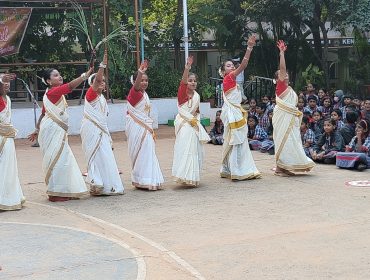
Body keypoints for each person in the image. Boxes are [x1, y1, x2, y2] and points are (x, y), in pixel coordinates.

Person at [28, 68, 92, 202]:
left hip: (54, 129)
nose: (60, 77)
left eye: (59, 75)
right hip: (52, 129)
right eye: (55, 76)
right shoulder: (52, 92)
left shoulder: (51, 94)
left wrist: (36, 129)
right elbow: (70, 87)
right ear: (48, 81)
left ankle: (60, 191)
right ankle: (56, 192)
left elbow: (43, 113)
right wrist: (84, 76)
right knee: (58, 159)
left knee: (61, 159)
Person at [80, 51, 124, 196]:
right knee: (96, 155)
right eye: (99, 81)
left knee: (105, 156)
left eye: (104, 81)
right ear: (92, 84)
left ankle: (106, 185)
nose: (102, 83)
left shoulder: (102, 99)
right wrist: (102, 65)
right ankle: (97, 184)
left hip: (102, 131)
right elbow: (97, 80)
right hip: (91, 130)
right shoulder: (90, 95)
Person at [219, 34, 261, 180]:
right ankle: (237, 170)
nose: (232, 67)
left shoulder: (230, 80)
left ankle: (229, 168)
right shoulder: (229, 78)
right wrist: (249, 48)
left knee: (234, 140)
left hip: (233, 112)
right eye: (228, 65)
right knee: (237, 140)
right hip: (233, 113)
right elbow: (243, 65)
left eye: (232, 65)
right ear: (224, 71)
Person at [272, 40, 315, 176]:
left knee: (290, 141)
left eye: (285, 74)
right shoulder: (281, 86)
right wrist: (282, 53)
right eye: (281, 74)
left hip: (289, 118)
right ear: (278, 78)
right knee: (285, 141)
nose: (285, 74)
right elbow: (283, 69)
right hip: (283, 117)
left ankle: (282, 167)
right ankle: (281, 167)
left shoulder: (287, 88)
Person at [125, 60, 164, 190]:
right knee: (141, 152)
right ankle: (141, 179)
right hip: (136, 128)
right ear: (135, 81)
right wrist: (141, 72)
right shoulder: (134, 93)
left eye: (146, 80)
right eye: (141, 80)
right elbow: (136, 87)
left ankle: (148, 179)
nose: (144, 82)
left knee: (148, 152)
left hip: (146, 128)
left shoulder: (145, 95)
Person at [172, 56, 210, 186]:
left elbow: (197, 112)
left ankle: (192, 177)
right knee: (185, 149)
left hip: (193, 126)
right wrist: (187, 67)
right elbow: (182, 82)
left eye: (195, 81)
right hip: (184, 125)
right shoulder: (182, 93)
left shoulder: (197, 96)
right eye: (190, 81)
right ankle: (183, 175)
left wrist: (197, 123)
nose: (193, 83)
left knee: (195, 150)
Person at [0, 73, 25, 210]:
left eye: (8, 81)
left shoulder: (8, 99)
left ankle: (8, 197)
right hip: (2, 137)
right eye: (4, 81)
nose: (7, 83)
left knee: (8, 168)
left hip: (7, 138)